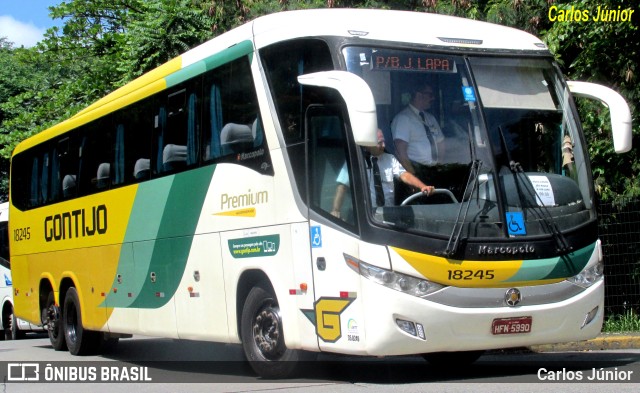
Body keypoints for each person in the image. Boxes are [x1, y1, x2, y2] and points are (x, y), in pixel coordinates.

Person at [331, 130, 434, 218]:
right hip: (367, 217)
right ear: (369, 144)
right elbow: (342, 186)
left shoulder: (390, 159)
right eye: (380, 142)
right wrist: (336, 209)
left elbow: (404, 175)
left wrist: (422, 186)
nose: (384, 145)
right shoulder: (355, 161)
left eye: (384, 141)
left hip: (389, 214)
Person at [391, 83, 445, 181]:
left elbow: (441, 143)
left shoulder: (430, 118)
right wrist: (413, 176)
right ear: (419, 95)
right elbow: (400, 152)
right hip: (417, 171)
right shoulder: (403, 118)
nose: (432, 98)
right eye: (430, 95)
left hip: (435, 171)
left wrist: (439, 166)